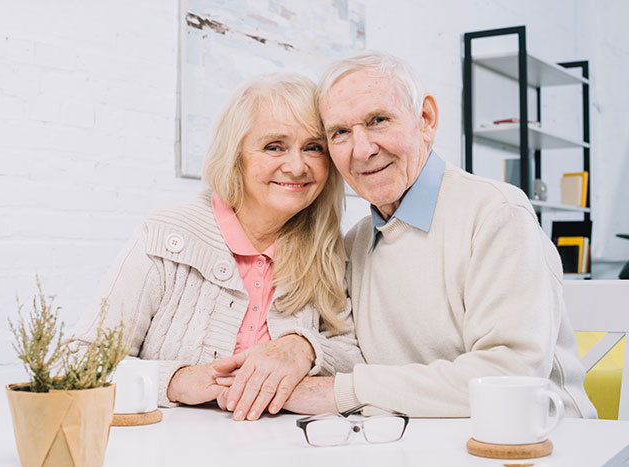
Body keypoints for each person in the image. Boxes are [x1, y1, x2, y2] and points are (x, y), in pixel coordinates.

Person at [248, 51, 596, 418]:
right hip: (415, 440)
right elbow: (343, 353)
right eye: (340, 133)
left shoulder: (496, 214)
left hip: (538, 441)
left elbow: (508, 377)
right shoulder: (354, 243)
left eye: (378, 120)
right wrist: (298, 348)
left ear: (426, 119)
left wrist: (348, 390)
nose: (362, 150)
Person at [66, 73, 363, 421]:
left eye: (313, 148)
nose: (297, 166)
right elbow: (78, 362)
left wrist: (305, 348)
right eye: (274, 146)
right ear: (235, 154)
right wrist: (173, 381)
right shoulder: (166, 237)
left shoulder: (326, 249)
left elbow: (357, 360)